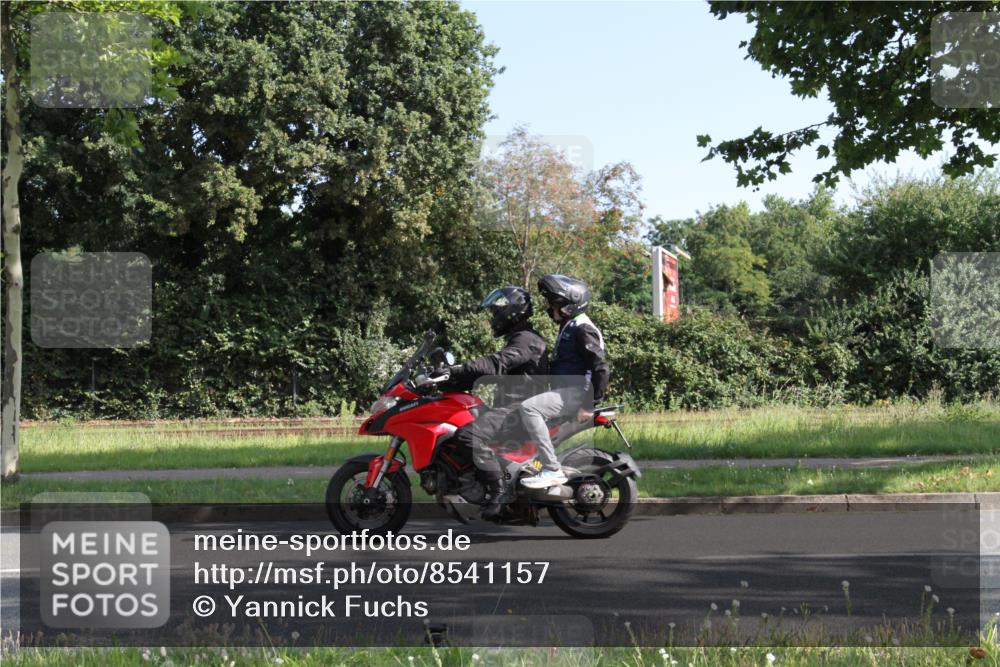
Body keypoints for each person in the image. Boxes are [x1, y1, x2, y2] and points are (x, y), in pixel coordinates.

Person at [442, 286, 548, 517]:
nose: (493, 317)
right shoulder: (520, 337)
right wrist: (453, 381)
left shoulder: (526, 340)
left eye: (496, 311)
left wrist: (459, 369)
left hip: (520, 409)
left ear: (512, 312)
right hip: (512, 405)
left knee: (469, 436)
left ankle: (498, 492)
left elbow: (497, 364)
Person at [519, 274, 609, 489]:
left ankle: (551, 469)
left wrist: (590, 404)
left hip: (576, 392)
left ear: (570, 304)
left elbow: (600, 367)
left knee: (529, 409)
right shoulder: (571, 325)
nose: (549, 308)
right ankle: (537, 467)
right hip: (567, 390)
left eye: (553, 303)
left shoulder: (582, 328)